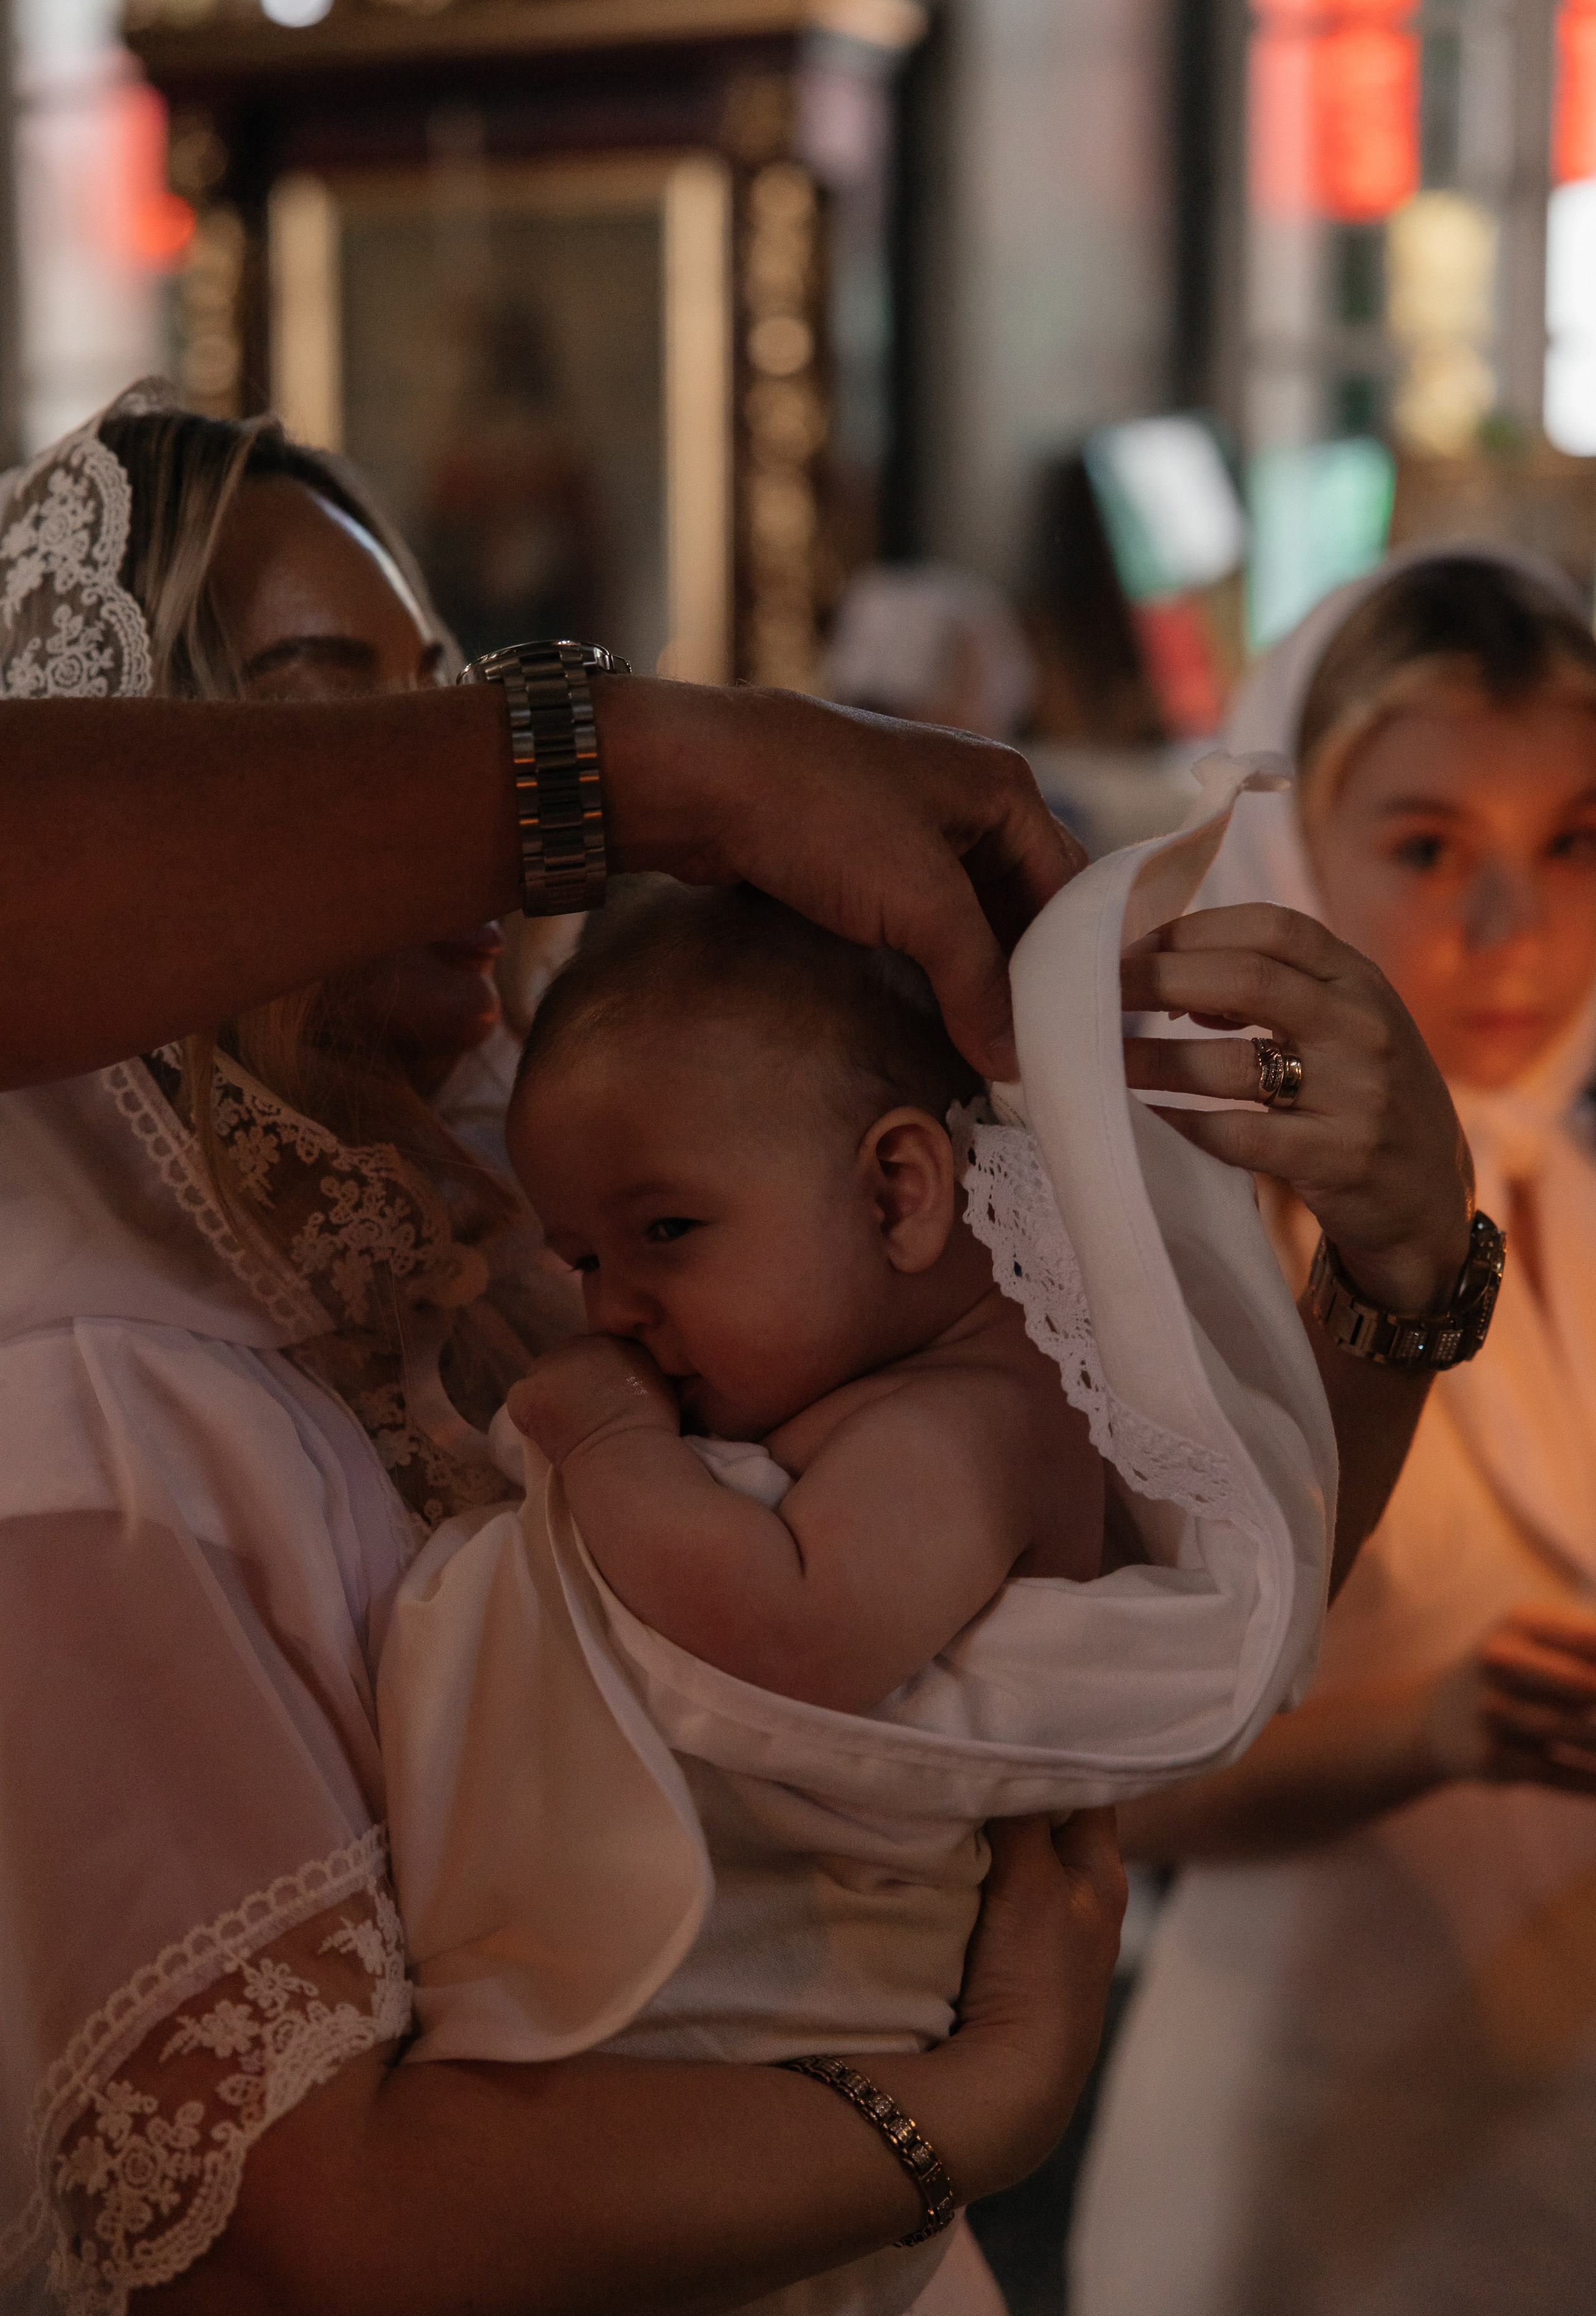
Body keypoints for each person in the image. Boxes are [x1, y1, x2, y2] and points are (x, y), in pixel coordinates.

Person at [0, 378, 1465, 2316]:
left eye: (446, 683)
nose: (466, 780)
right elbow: (310, 2219)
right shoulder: (94, 1397)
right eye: (336, 699)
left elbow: (1097, 1664)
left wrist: (1403, 1270)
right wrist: (963, 2110)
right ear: (161, 801)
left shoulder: (508, 1244)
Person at [375, 784, 1343, 2315]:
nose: (611, 1306)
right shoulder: (886, 1388)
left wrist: (610, 1444)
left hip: (803, 1994)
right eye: (579, 1256)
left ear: (900, 1188)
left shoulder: (970, 1414)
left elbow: (798, 1628)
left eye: (665, 1232)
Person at [1071, 548, 1596, 2316]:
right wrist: (1434, 1723)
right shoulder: (1219, 1255)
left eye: (1576, 841)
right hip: (1305, 2131)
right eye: (1432, 849)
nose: (1513, 933)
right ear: (1297, 863)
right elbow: (1105, 1786)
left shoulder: (1578, 1212)